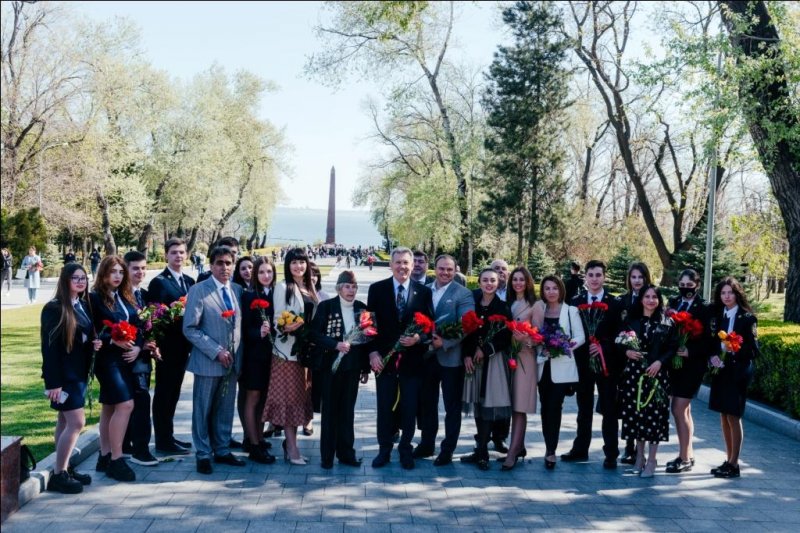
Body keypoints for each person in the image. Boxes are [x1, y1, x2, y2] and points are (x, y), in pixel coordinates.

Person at [367, 247, 434, 470]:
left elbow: (430, 327)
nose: (402, 267)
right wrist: (373, 352)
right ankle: (384, 450)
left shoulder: (423, 292)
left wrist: (418, 337)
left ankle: (406, 450)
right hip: (384, 362)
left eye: (406, 263)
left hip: (412, 362)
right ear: (391, 265)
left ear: (413, 265)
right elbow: (369, 325)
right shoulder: (377, 290)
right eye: (398, 263)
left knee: (408, 408)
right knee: (384, 408)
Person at [183, 245, 246, 475]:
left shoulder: (238, 290)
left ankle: (222, 449)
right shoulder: (199, 290)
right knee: (203, 409)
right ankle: (203, 453)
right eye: (219, 263)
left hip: (232, 363)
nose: (224, 267)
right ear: (211, 265)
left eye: (228, 263)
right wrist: (216, 350)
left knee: (225, 408)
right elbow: (190, 328)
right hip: (209, 362)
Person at [41, 263, 102, 493]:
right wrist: (53, 382)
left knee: (65, 422)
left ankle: (63, 467)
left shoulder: (82, 304)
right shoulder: (54, 308)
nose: (80, 282)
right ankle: (58, 476)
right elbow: (50, 349)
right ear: (65, 281)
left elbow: (81, 338)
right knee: (77, 422)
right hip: (64, 377)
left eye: (83, 278)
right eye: (75, 278)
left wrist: (93, 344)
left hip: (79, 374)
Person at [414, 254, 474, 467]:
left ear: (455, 269)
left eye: (450, 269)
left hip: (451, 358)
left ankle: (447, 449)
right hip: (427, 357)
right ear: (434, 269)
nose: (445, 273)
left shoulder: (463, 293)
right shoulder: (424, 290)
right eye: (441, 268)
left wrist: (445, 342)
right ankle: (427, 443)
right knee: (427, 404)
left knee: (452, 407)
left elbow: (467, 323)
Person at [89, 255, 143, 482]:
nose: (118, 276)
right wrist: (113, 340)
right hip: (106, 361)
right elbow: (91, 331)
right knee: (125, 404)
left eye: (121, 272)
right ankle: (117, 459)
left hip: (126, 359)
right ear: (103, 273)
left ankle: (104, 455)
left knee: (110, 407)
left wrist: (138, 348)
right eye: (113, 272)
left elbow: (139, 326)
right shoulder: (93, 299)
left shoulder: (126, 296)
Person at [564, 260, 623, 469]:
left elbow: (620, 334)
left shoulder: (615, 303)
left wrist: (602, 347)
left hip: (607, 364)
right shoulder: (575, 301)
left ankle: (611, 453)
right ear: (585, 277)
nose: (595, 279)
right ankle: (580, 448)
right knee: (584, 408)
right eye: (591, 275)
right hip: (582, 363)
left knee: (609, 408)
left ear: (604, 277)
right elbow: (570, 330)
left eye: (598, 275)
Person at [310, 270, 370, 468]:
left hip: (352, 368)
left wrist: (365, 369)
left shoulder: (362, 308)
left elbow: (368, 340)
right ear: (338, 288)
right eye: (347, 286)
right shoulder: (326, 307)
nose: (351, 290)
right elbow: (314, 335)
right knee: (330, 412)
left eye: (354, 287)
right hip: (330, 368)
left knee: (347, 412)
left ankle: (346, 453)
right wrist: (334, 344)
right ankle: (327, 456)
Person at [262, 247, 316, 465]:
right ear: (287, 265)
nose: (298, 266)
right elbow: (277, 319)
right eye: (294, 262)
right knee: (290, 400)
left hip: (307, 355)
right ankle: (292, 447)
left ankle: (290, 444)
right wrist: (288, 326)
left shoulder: (309, 287)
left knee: (301, 399)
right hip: (287, 354)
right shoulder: (283, 287)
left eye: (302, 262)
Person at [617, 285, 676, 478]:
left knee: (654, 418)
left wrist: (660, 362)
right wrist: (626, 351)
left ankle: (652, 460)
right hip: (634, 375)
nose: (651, 300)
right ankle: (639, 457)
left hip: (656, 375)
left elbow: (672, 348)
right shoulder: (630, 321)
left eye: (654, 297)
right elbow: (618, 342)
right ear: (641, 299)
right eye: (647, 296)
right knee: (636, 416)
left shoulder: (667, 322)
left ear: (659, 300)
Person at [146, 237, 195, 455]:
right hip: (167, 348)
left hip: (185, 347)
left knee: (174, 392)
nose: (178, 256)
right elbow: (154, 315)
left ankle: (170, 435)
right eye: (174, 252)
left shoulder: (190, 281)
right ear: (166, 255)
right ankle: (163, 441)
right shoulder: (159, 282)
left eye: (182, 252)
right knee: (164, 393)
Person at [460, 268, 512, 471]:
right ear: (479, 283)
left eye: (493, 280)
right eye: (485, 280)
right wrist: (467, 354)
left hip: (493, 360)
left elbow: (506, 335)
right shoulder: (471, 303)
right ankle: (480, 448)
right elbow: (466, 330)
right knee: (477, 403)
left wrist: (487, 349)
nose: (489, 283)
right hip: (473, 360)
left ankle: (484, 452)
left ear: (498, 282)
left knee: (488, 404)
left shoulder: (503, 307)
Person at [708, 276, 760, 479]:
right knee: (723, 415)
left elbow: (754, 350)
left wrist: (735, 348)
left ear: (737, 293)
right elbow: (712, 343)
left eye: (730, 292)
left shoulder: (747, 318)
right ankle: (727, 459)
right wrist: (713, 358)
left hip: (738, 372)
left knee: (733, 415)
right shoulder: (717, 316)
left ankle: (734, 463)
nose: (727, 296)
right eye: (723, 293)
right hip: (721, 371)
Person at [533, 275, 584, 469]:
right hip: (542, 367)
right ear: (543, 291)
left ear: (560, 289)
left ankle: (551, 451)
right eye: (547, 288)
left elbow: (580, 337)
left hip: (562, 369)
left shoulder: (571, 311)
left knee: (555, 407)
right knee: (545, 408)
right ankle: (548, 446)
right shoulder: (540, 309)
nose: (551, 292)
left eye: (555, 288)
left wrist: (564, 345)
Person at [665, 268, 712, 474]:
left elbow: (711, 342)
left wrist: (689, 351)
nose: (685, 289)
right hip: (674, 365)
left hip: (692, 366)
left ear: (698, 285)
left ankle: (683, 457)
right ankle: (688, 454)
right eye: (682, 285)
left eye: (689, 286)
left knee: (677, 408)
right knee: (684, 411)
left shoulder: (705, 308)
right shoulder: (674, 303)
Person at [119, 251, 160, 467]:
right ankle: (139, 449)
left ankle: (131, 446)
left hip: (143, 358)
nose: (140, 272)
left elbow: (145, 327)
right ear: (125, 269)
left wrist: (151, 345)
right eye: (135, 268)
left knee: (139, 400)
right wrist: (138, 345)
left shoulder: (143, 294)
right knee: (139, 401)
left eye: (143, 268)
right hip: (128, 358)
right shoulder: (120, 296)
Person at [501, 266, 540, 471]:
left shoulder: (536, 305)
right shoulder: (507, 302)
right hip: (506, 358)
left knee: (519, 407)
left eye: (521, 280)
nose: (518, 283)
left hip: (525, 359)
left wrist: (527, 339)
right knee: (509, 404)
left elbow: (541, 336)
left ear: (528, 282)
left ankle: (513, 451)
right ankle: (518, 445)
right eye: (514, 279)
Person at [239, 256, 277, 464]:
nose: (266, 276)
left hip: (273, 355)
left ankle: (260, 437)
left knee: (264, 398)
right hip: (254, 355)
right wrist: (258, 333)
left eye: (269, 272)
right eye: (261, 272)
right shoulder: (248, 296)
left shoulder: (277, 294)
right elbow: (244, 329)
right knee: (252, 398)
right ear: (256, 274)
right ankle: (252, 443)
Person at [618, 262, 653, 465]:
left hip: (648, 363)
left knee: (646, 407)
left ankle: (644, 451)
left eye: (640, 277)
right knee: (629, 406)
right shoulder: (621, 301)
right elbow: (617, 331)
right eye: (633, 277)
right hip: (627, 361)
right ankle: (630, 448)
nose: (637, 281)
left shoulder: (652, 298)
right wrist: (626, 350)